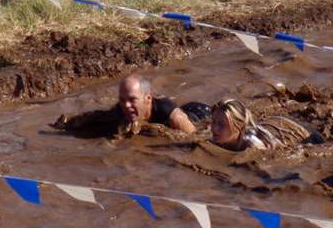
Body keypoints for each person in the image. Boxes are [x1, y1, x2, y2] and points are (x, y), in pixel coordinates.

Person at [51, 74, 210, 137]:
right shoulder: (120, 109)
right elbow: (95, 118)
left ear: (148, 98)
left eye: (132, 99)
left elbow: (196, 139)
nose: (126, 106)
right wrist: (68, 124)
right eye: (122, 100)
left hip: (199, 113)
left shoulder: (173, 115)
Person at [210, 98, 317, 151]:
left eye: (222, 125)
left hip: (303, 132)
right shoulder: (217, 138)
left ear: (239, 126)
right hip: (275, 124)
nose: (214, 129)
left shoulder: (253, 145)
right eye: (213, 122)